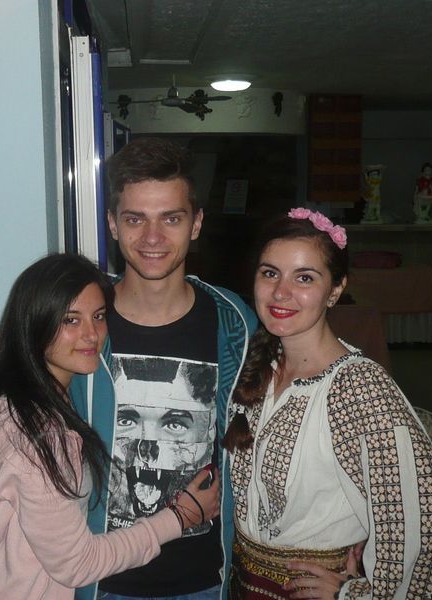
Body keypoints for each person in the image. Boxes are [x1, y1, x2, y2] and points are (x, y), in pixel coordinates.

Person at [0, 253, 220, 599]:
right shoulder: (43, 435)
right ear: (35, 323)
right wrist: (179, 517)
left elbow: (2, 479)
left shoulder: (11, 402)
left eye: (98, 316)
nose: (91, 334)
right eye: (71, 320)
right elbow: (78, 564)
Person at [223, 209, 432, 599]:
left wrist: (359, 593)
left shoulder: (357, 387)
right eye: (270, 273)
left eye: (304, 278)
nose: (281, 292)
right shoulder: (254, 369)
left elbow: (431, 522)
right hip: (242, 586)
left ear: (336, 290)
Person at [70, 137, 258, 600]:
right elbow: (28, 415)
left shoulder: (233, 322)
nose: (152, 238)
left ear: (196, 223)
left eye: (170, 219)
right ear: (112, 224)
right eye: (135, 219)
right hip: (99, 577)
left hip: (202, 579)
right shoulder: (78, 320)